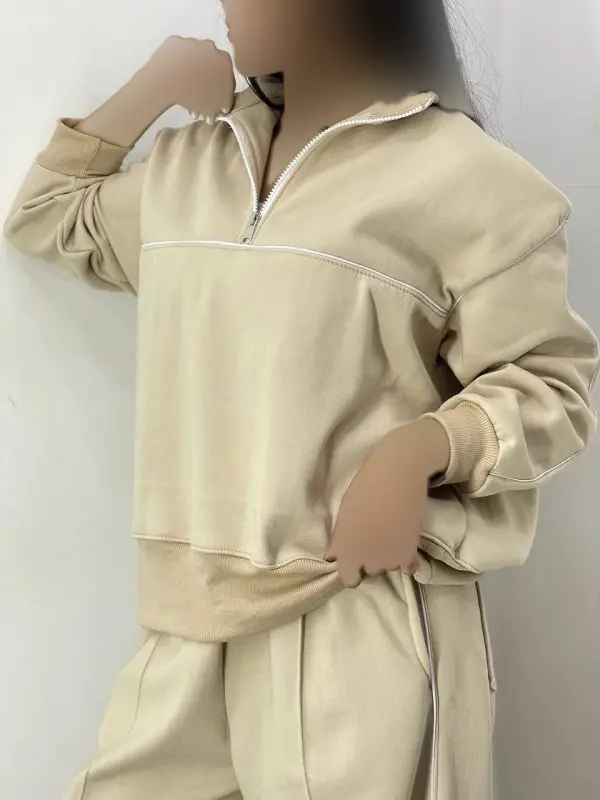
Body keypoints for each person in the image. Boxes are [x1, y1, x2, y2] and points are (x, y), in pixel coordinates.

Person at [4, 0, 598, 798]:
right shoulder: (193, 167)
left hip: (356, 615)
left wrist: (418, 449)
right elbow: (45, 217)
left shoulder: (470, 181)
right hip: (185, 622)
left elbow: (554, 382)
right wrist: (152, 86)